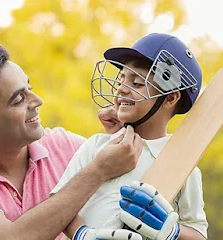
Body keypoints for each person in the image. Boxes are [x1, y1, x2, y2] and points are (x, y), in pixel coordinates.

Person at [0, 44, 143, 240]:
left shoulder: (63, 144)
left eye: (30, 88)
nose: (38, 101)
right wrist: (97, 172)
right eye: (19, 99)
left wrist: (113, 137)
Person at [51, 33, 208, 240]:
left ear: (170, 98)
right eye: (121, 80)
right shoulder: (97, 145)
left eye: (136, 83)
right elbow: (60, 203)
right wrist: (82, 234)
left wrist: (173, 232)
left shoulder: (183, 165)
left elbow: (198, 233)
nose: (122, 90)